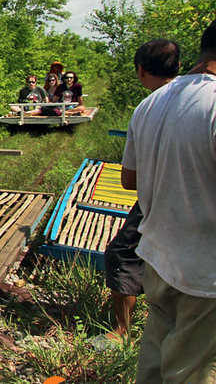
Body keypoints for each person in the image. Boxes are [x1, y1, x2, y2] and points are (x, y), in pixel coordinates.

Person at [121, 22, 216, 384]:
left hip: (158, 257)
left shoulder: (150, 104)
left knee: (156, 363)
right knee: (191, 371)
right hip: (204, 273)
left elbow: (129, 180)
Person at [90, 39, 180, 350]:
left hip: (161, 200)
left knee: (123, 253)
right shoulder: (203, 95)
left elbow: (129, 180)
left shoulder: (149, 107)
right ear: (178, 66)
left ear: (140, 71)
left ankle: (122, 330)